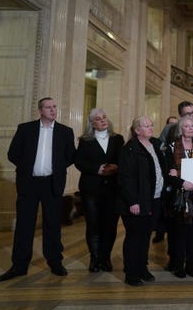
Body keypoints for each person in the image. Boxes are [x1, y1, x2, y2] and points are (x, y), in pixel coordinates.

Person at [0, 98, 76, 282]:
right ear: (40, 110)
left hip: (52, 184)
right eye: (48, 107)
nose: (53, 110)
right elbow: (13, 153)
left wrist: (56, 168)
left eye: (55, 107)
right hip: (28, 183)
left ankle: (55, 262)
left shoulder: (65, 131)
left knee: (53, 226)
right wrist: (27, 167)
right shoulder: (25, 129)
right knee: (24, 226)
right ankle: (19, 266)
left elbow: (70, 156)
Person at [73, 108, 125, 273]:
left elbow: (122, 159)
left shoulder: (118, 139)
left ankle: (106, 258)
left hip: (112, 188)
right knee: (93, 224)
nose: (103, 120)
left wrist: (115, 167)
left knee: (110, 225)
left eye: (104, 117)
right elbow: (79, 162)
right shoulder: (85, 140)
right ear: (92, 123)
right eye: (98, 119)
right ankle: (95, 259)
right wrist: (98, 169)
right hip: (91, 188)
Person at [117, 116, 166, 286]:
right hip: (137, 201)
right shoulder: (130, 149)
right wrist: (133, 201)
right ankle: (131, 273)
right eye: (146, 126)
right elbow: (125, 178)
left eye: (151, 125)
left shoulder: (154, 145)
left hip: (153, 198)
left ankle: (142, 268)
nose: (151, 128)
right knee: (134, 237)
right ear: (137, 130)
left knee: (145, 237)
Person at [163, 117, 193, 279]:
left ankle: (191, 265)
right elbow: (168, 172)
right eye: (186, 126)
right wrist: (181, 182)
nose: (190, 128)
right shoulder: (171, 148)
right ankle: (178, 265)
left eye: (192, 126)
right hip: (178, 196)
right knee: (179, 232)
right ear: (181, 129)